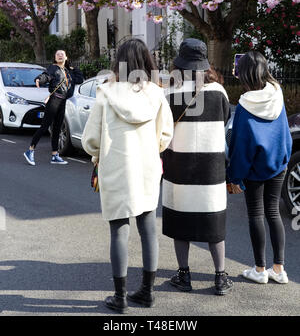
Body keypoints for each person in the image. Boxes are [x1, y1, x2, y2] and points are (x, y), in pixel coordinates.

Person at [81, 38, 174, 313]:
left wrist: (97, 155)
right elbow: (165, 135)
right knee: (148, 229)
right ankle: (146, 292)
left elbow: (90, 139)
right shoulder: (156, 94)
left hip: (116, 168)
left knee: (119, 231)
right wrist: (151, 147)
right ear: (147, 61)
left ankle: (120, 297)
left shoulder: (106, 93)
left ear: (118, 62)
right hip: (146, 168)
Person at [162, 38, 233, 296]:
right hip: (211, 169)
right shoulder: (219, 93)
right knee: (214, 225)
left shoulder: (169, 93)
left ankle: (184, 275)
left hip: (179, 167)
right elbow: (224, 122)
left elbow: (163, 129)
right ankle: (220, 277)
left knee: (181, 223)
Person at [227, 51, 292, 284]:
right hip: (278, 163)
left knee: (256, 214)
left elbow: (241, 145)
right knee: (273, 213)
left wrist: (234, 176)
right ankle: (279, 269)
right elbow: (284, 131)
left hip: (255, 168)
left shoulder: (246, 104)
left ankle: (260, 269)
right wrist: (283, 158)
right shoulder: (278, 94)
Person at [23, 49, 84, 166]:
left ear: (66, 57)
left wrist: (72, 67)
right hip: (54, 99)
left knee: (57, 128)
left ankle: (55, 155)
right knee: (45, 126)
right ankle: (30, 150)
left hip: (63, 101)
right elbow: (46, 76)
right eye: (57, 54)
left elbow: (80, 79)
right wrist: (39, 79)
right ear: (55, 58)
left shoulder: (68, 71)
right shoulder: (53, 68)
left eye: (62, 54)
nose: (60, 56)